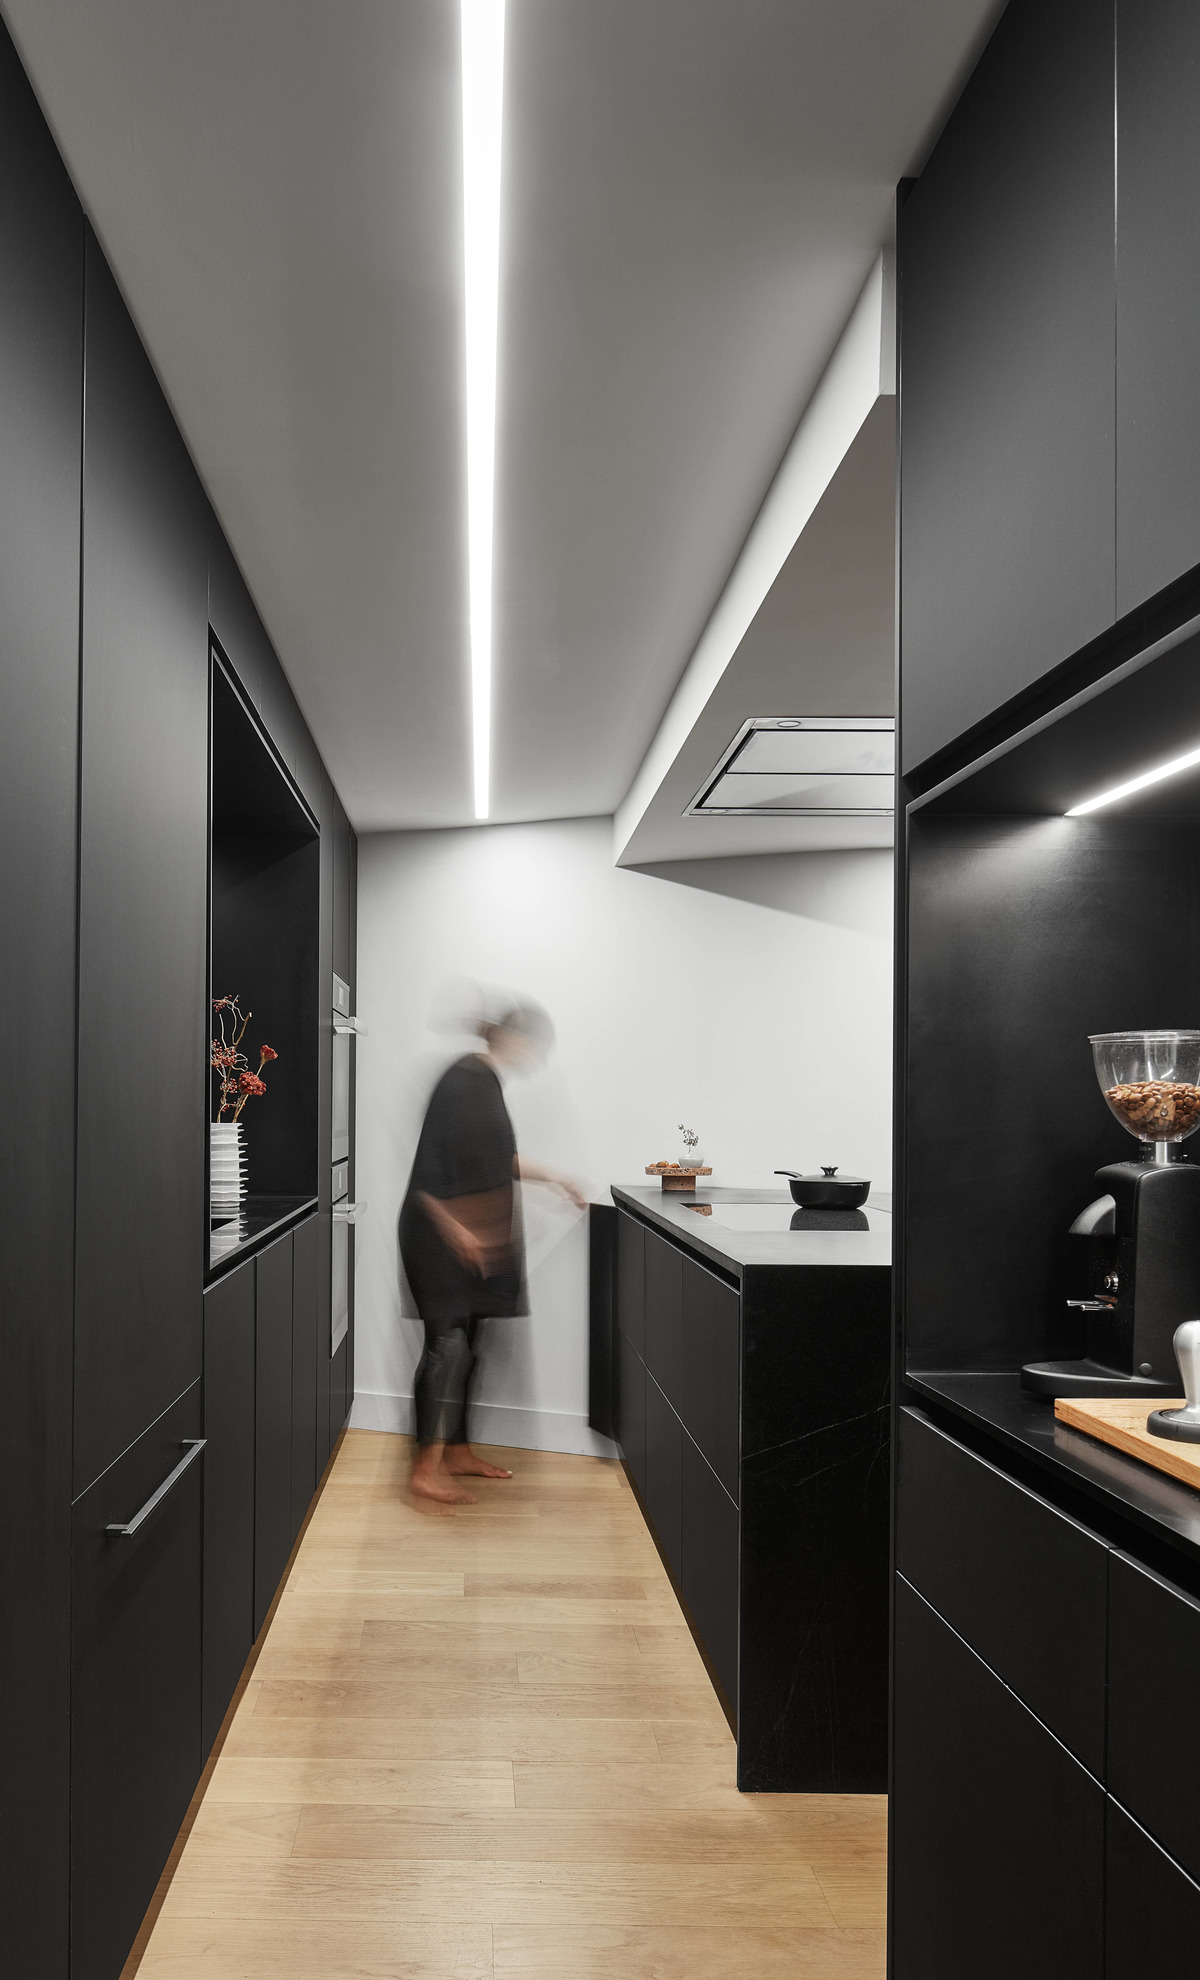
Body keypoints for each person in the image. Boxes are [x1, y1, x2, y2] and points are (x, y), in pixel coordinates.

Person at [399, 1002, 585, 1505]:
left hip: (475, 1235)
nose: (534, 1057)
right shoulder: (463, 1079)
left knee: (471, 1345)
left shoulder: (485, 1082)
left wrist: (558, 1180)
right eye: (532, 1045)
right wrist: (458, 1229)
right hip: (438, 1235)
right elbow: (430, 1170)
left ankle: (457, 1452)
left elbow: (494, 1158)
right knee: (447, 1344)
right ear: (512, 1038)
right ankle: (424, 1468)